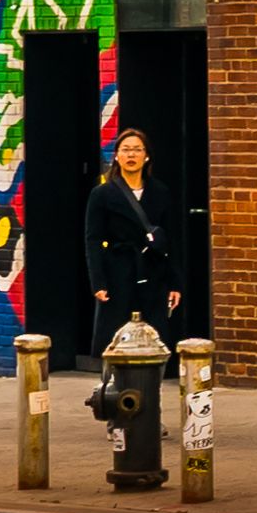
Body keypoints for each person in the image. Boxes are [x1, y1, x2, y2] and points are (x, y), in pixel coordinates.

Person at [84, 126, 182, 353]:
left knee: (155, 334)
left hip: (153, 271)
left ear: (146, 156)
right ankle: (114, 383)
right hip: (117, 271)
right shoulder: (102, 194)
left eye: (137, 150)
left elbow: (172, 240)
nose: (131, 155)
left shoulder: (160, 192)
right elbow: (93, 240)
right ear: (117, 155)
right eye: (125, 150)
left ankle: (150, 382)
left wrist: (175, 283)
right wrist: (98, 281)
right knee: (115, 335)